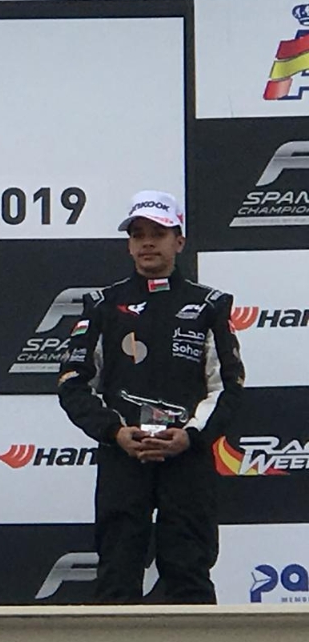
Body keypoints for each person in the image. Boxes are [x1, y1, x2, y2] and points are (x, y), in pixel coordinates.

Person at [58, 190, 245, 604]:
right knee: (117, 573)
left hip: (186, 458)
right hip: (124, 455)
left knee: (189, 571)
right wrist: (115, 432)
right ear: (128, 245)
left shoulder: (209, 306)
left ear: (179, 240)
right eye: (138, 234)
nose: (147, 243)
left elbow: (227, 387)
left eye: (158, 234)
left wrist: (191, 436)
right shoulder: (102, 306)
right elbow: (73, 383)